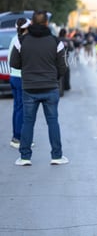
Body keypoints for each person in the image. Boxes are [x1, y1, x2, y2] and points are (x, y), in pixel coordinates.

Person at [10, 10, 68, 166]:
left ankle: (25, 157)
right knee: (53, 122)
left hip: (29, 88)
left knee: (28, 122)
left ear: (32, 23)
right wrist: (52, 78)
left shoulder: (20, 41)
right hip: (50, 88)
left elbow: (14, 63)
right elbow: (63, 67)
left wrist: (28, 69)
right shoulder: (56, 42)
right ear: (46, 23)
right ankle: (56, 156)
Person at [7, 18, 30, 149]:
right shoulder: (24, 41)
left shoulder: (14, 39)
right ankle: (18, 138)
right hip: (21, 78)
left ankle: (16, 136)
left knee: (17, 108)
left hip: (13, 77)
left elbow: (10, 59)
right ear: (26, 28)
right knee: (22, 109)